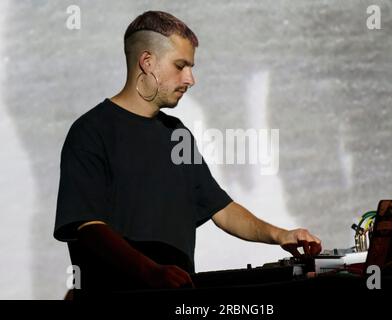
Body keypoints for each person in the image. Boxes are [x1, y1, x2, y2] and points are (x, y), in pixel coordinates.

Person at [54, 10, 322, 295]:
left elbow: (221, 209)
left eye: (191, 67)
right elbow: (89, 228)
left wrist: (281, 235)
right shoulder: (90, 132)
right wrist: (152, 273)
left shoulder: (177, 133)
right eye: (180, 65)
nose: (190, 78)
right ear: (147, 62)